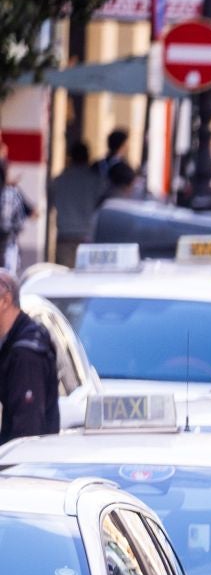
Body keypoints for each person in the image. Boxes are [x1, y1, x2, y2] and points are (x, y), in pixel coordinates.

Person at [0, 271, 59, 444]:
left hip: (20, 465)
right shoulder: (15, 340)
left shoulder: (26, 354)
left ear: (5, 301)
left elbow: (27, 431)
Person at [48, 141, 105, 268]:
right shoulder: (97, 181)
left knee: (64, 277)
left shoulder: (58, 181)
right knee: (86, 279)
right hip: (87, 235)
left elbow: (50, 204)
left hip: (64, 235)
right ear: (88, 157)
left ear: (70, 157)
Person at [0, 160, 35, 275]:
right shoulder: (13, 193)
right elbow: (34, 214)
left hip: (8, 245)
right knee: (7, 283)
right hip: (9, 246)